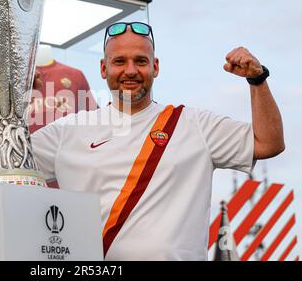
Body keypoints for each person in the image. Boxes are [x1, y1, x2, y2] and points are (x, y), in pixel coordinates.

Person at [30, 21, 284, 260]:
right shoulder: (67, 132)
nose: (130, 70)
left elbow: (268, 143)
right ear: (104, 68)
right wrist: (10, 96)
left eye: (140, 61)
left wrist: (257, 79)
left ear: (155, 67)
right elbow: (0, 167)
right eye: (120, 61)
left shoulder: (193, 124)